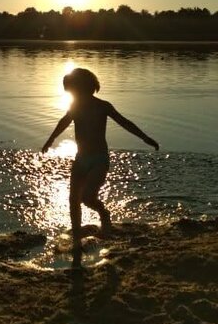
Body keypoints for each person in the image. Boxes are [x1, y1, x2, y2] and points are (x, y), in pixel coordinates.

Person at [41, 67, 159, 250]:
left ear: (86, 87)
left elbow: (124, 122)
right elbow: (63, 122)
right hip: (80, 159)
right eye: (70, 91)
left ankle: (104, 214)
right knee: (73, 199)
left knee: (87, 197)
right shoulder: (75, 106)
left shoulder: (103, 106)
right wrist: (50, 141)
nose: (72, 93)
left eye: (73, 89)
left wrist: (145, 138)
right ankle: (76, 238)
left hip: (99, 159)